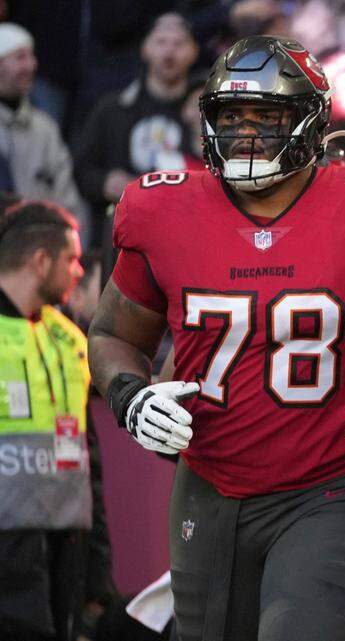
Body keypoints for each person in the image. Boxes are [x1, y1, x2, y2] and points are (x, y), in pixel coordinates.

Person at [87, 36, 345, 641]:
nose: (246, 135)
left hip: (334, 488)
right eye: (230, 117)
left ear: (313, 123)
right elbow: (112, 333)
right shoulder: (160, 209)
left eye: (268, 118)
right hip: (209, 485)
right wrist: (130, 396)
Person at [0, 201, 115, 641]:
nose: (77, 271)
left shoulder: (70, 340)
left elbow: (90, 463)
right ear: (40, 260)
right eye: (70, 259)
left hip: (67, 553)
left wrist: (98, 570)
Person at [74, 13, 199, 239]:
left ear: (194, 52)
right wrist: (105, 182)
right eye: (161, 42)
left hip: (185, 231)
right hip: (122, 233)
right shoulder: (112, 108)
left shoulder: (204, 113)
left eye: (179, 43)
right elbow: (81, 170)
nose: (169, 52)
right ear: (145, 49)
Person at [0, 23, 89, 243]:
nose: (31, 65)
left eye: (31, 56)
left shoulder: (44, 129)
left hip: (37, 254)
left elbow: (69, 202)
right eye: (20, 57)